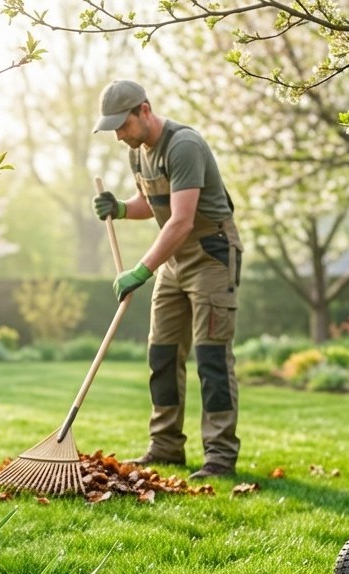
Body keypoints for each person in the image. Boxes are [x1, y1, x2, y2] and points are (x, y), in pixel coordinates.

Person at [91, 79, 243, 479]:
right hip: (175, 259)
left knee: (211, 358)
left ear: (144, 110)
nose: (119, 136)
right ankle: (165, 447)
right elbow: (153, 203)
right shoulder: (138, 153)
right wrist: (121, 208)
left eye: (122, 125)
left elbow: (181, 219)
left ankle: (220, 457)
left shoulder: (184, 146)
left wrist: (141, 270)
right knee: (161, 354)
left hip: (211, 254)